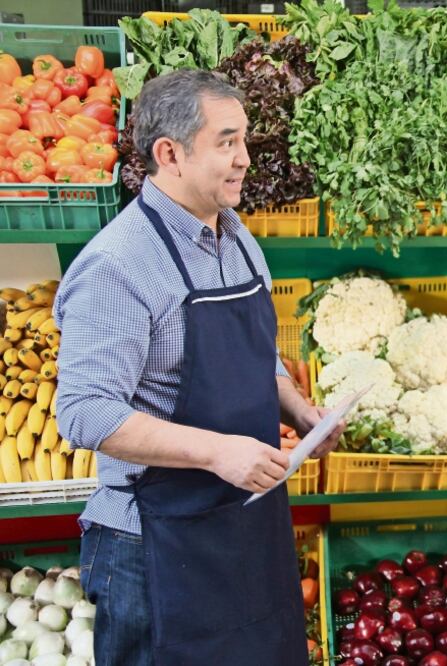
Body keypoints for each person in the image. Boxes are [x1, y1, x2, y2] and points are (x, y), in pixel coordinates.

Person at [54, 70, 345, 666]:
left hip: (245, 527)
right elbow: (85, 413)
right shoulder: (117, 265)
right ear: (170, 154)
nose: (243, 159)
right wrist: (217, 451)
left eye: (243, 142)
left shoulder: (236, 237)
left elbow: (256, 353)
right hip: (154, 545)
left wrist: (298, 409)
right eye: (226, 142)